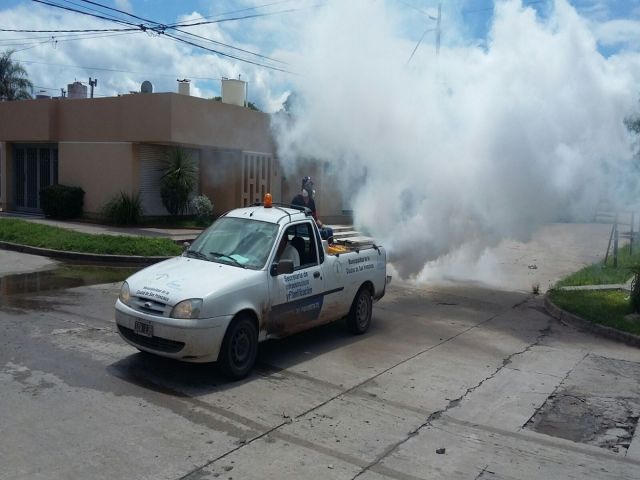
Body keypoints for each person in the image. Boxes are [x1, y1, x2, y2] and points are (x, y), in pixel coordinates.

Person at [291, 176, 334, 243]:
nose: (310, 188)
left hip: (309, 225)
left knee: (329, 230)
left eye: (310, 186)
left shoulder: (311, 201)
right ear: (303, 188)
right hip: (299, 226)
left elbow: (315, 218)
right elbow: (292, 217)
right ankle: (316, 251)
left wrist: (322, 225)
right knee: (317, 233)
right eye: (308, 186)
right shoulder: (296, 200)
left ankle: (328, 249)